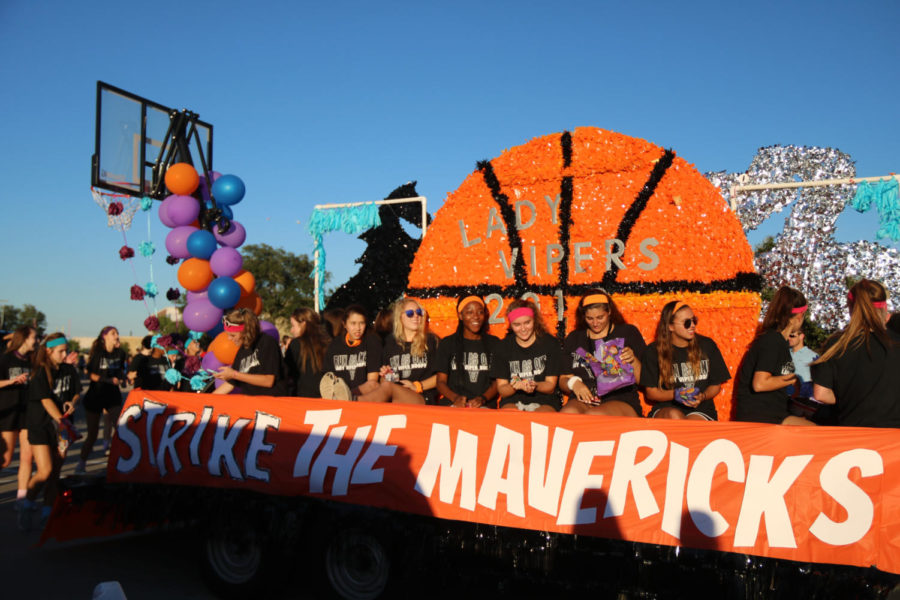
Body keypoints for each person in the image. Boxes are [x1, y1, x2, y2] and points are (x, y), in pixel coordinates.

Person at [811, 279, 900, 427]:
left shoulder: (837, 344)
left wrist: (851, 398)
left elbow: (821, 394)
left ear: (851, 309)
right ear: (885, 309)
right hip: (894, 438)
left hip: (854, 434)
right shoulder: (896, 342)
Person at [19, 333, 80, 530]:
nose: (65, 354)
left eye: (66, 350)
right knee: (44, 470)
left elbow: (77, 391)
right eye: (61, 351)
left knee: (56, 472)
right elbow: (46, 401)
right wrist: (63, 423)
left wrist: (73, 402)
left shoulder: (68, 370)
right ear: (49, 350)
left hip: (61, 427)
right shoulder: (40, 373)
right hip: (41, 426)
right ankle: (27, 503)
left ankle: (47, 513)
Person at [734, 286, 814, 425]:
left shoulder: (780, 342)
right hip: (760, 417)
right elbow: (760, 384)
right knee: (818, 433)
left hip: (775, 414)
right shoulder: (772, 341)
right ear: (799, 316)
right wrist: (792, 380)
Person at [559, 291, 645, 417]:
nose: (595, 323)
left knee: (596, 415)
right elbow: (562, 379)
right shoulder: (574, 338)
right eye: (590, 318)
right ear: (583, 316)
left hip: (620, 399)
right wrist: (574, 383)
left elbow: (644, 381)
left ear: (609, 312)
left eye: (600, 317)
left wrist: (633, 360)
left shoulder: (628, 332)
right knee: (567, 414)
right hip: (584, 400)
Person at [640, 300, 730, 420]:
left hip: (700, 409)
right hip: (667, 407)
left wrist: (702, 396)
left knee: (691, 426)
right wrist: (675, 394)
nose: (692, 325)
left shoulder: (707, 345)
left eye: (694, 320)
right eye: (686, 323)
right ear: (670, 326)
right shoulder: (653, 351)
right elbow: (651, 393)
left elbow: (715, 385)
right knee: (674, 416)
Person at [319, 305, 419, 403]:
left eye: (361, 323)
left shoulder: (372, 340)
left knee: (373, 384)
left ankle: (347, 398)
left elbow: (373, 381)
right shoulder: (335, 344)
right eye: (353, 323)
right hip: (339, 393)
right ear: (344, 324)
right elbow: (329, 377)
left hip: (364, 393)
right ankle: (341, 398)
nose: (358, 328)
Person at [491, 299, 562, 412]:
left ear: (534, 320)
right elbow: (502, 389)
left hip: (545, 400)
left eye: (527, 322)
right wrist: (516, 386)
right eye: (517, 324)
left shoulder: (550, 343)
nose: (523, 329)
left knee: (541, 419)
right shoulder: (502, 347)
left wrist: (534, 385)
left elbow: (550, 386)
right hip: (512, 400)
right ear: (510, 325)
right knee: (508, 417)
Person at [435, 295, 499, 408]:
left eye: (480, 312)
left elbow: (497, 382)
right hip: (453, 404)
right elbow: (440, 382)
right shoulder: (448, 343)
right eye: (469, 312)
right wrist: (455, 398)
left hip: (484, 407)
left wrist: (483, 399)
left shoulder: (494, 343)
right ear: (460, 315)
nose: (476, 317)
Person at [76, 326, 125, 473]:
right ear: (104, 336)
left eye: (117, 332)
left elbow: (120, 372)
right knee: (92, 434)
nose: (116, 335)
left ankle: (122, 461)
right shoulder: (98, 353)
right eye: (113, 333)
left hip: (113, 397)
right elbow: (91, 374)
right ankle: (82, 462)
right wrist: (108, 380)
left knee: (121, 428)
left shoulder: (120, 353)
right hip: (96, 395)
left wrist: (123, 379)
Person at [213, 308, 287, 396]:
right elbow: (231, 384)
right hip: (251, 403)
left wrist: (233, 374)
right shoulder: (242, 350)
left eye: (233, 335)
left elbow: (268, 381)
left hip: (270, 403)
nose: (229, 338)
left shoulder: (267, 343)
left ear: (246, 331)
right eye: (228, 335)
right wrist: (208, 399)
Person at [0, 326, 36, 504]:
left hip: (27, 413)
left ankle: (21, 499)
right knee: (5, 461)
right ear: (24, 339)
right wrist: (11, 381)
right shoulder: (6, 359)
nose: (36, 341)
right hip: (9, 412)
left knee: (27, 456)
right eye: (33, 338)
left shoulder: (32, 360)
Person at [380, 298, 438, 405]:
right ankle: (351, 402)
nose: (416, 316)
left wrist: (417, 386)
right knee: (375, 386)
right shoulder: (390, 343)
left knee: (387, 388)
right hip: (397, 396)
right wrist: (388, 376)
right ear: (400, 317)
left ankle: (353, 405)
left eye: (419, 312)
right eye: (410, 313)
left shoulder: (431, 341)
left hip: (422, 397)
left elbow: (441, 377)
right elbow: (388, 381)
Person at [285, 308, 328, 398]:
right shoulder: (328, 342)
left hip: (303, 399)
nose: (291, 330)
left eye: (293, 326)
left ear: (303, 324)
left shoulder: (296, 344)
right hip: (326, 397)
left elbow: (286, 372)